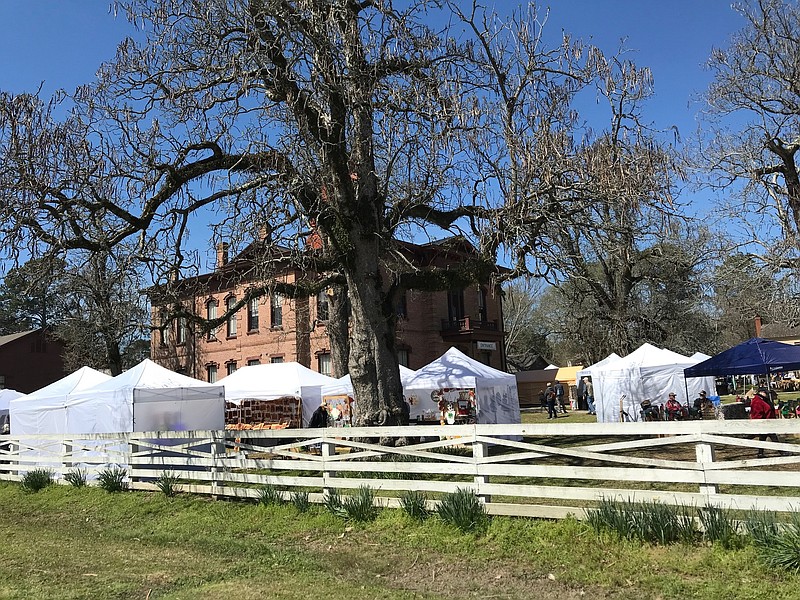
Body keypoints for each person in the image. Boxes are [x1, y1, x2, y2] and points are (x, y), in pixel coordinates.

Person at [750, 389, 780, 457]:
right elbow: (757, 414)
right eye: (765, 393)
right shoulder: (757, 401)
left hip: (768, 422)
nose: (767, 394)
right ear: (761, 393)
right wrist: (760, 423)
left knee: (763, 438)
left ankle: (760, 453)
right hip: (764, 423)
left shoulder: (763, 400)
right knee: (773, 437)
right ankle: (782, 451)